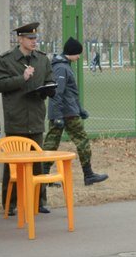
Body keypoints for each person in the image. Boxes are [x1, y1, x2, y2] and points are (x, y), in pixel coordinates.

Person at [0, 22, 55, 215]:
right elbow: (0, 84)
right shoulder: (6, 60)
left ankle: (39, 201)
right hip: (17, 118)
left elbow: (49, 79)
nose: (34, 42)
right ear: (20, 39)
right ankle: (10, 204)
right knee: (13, 165)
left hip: (36, 116)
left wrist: (49, 89)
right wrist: (22, 78)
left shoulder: (42, 59)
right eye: (30, 39)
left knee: (37, 161)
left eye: (35, 38)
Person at [42, 37, 108, 186]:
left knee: (51, 144)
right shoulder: (62, 68)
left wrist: (80, 110)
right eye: (78, 54)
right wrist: (59, 116)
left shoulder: (62, 65)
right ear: (72, 52)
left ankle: (43, 176)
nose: (79, 57)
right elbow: (57, 92)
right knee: (81, 141)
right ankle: (88, 174)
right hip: (66, 113)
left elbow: (70, 93)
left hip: (66, 111)